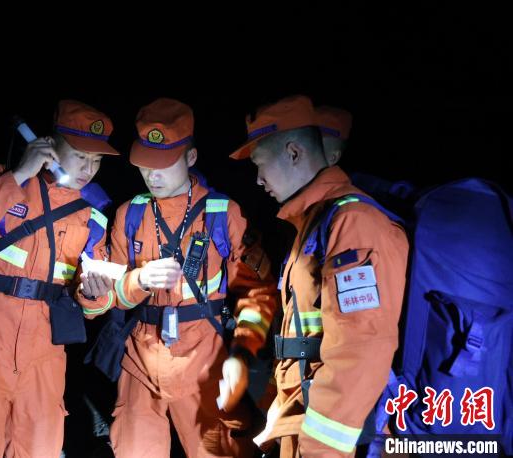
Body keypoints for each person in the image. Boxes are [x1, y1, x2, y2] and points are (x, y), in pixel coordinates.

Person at [83, 97, 278, 457]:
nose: (152, 174)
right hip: (140, 363)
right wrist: (138, 281)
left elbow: (257, 294)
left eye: (163, 164)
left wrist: (242, 352)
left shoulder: (223, 214)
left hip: (206, 365)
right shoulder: (129, 214)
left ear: (191, 157)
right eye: (145, 165)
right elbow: (112, 297)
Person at [0, 100, 119, 458]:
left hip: (44, 357)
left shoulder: (93, 214)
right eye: (80, 155)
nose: (88, 169)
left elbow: (97, 306)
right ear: (50, 146)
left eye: (96, 160)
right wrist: (18, 175)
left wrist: (95, 295)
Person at [227, 95, 409, 457]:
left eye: (260, 164)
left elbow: (361, 350)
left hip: (332, 436)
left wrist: (319, 448)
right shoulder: (315, 223)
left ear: (294, 153)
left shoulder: (353, 224)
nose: (258, 180)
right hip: (302, 416)